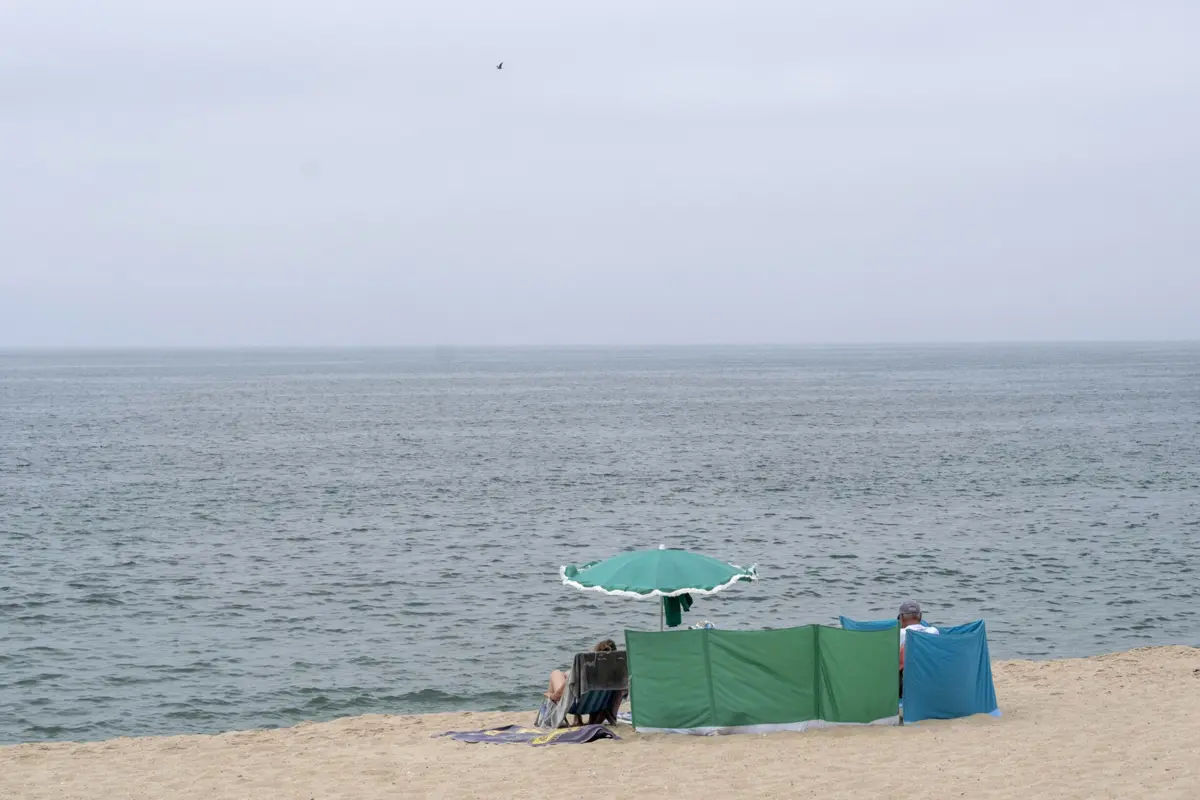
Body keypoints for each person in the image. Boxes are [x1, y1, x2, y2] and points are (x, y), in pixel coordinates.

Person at [544, 639, 618, 726]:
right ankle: (577, 719)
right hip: (597, 706)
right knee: (567, 675)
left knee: (556, 673)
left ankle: (570, 718)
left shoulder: (585, 669)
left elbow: (559, 695)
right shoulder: (617, 672)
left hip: (573, 706)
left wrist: (550, 695)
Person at [897, 600, 938, 698]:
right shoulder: (934, 631)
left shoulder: (901, 633)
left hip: (909, 684)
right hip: (933, 679)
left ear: (901, 617)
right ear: (920, 616)